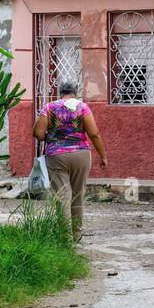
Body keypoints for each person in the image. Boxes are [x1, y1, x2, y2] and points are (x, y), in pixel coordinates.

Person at [33, 80, 107, 239]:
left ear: (60, 93)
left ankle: (64, 237)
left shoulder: (49, 107)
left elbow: (38, 134)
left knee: (62, 196)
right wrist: (103, 155)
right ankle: (76, 233)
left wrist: (53, 137)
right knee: (78, 193)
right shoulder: (82, 107)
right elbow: (94, 134)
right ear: (76, 92)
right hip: (81, 154)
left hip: (56, 155)